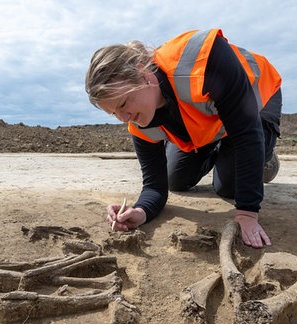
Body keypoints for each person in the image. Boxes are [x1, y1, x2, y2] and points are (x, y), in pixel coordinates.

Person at [85, 29, 282, 248]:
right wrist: (141, 211)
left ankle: (265, 157)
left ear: (143, 74)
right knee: (175, 179)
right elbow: (155, 187)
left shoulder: (203, 60)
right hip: (212, 121)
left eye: (123, 104)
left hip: (256, 100)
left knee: (229, 185)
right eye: (114, 113)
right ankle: (226, 150)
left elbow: (246, 132)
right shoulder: (139, 121)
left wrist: (247, 213)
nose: (124, 119)